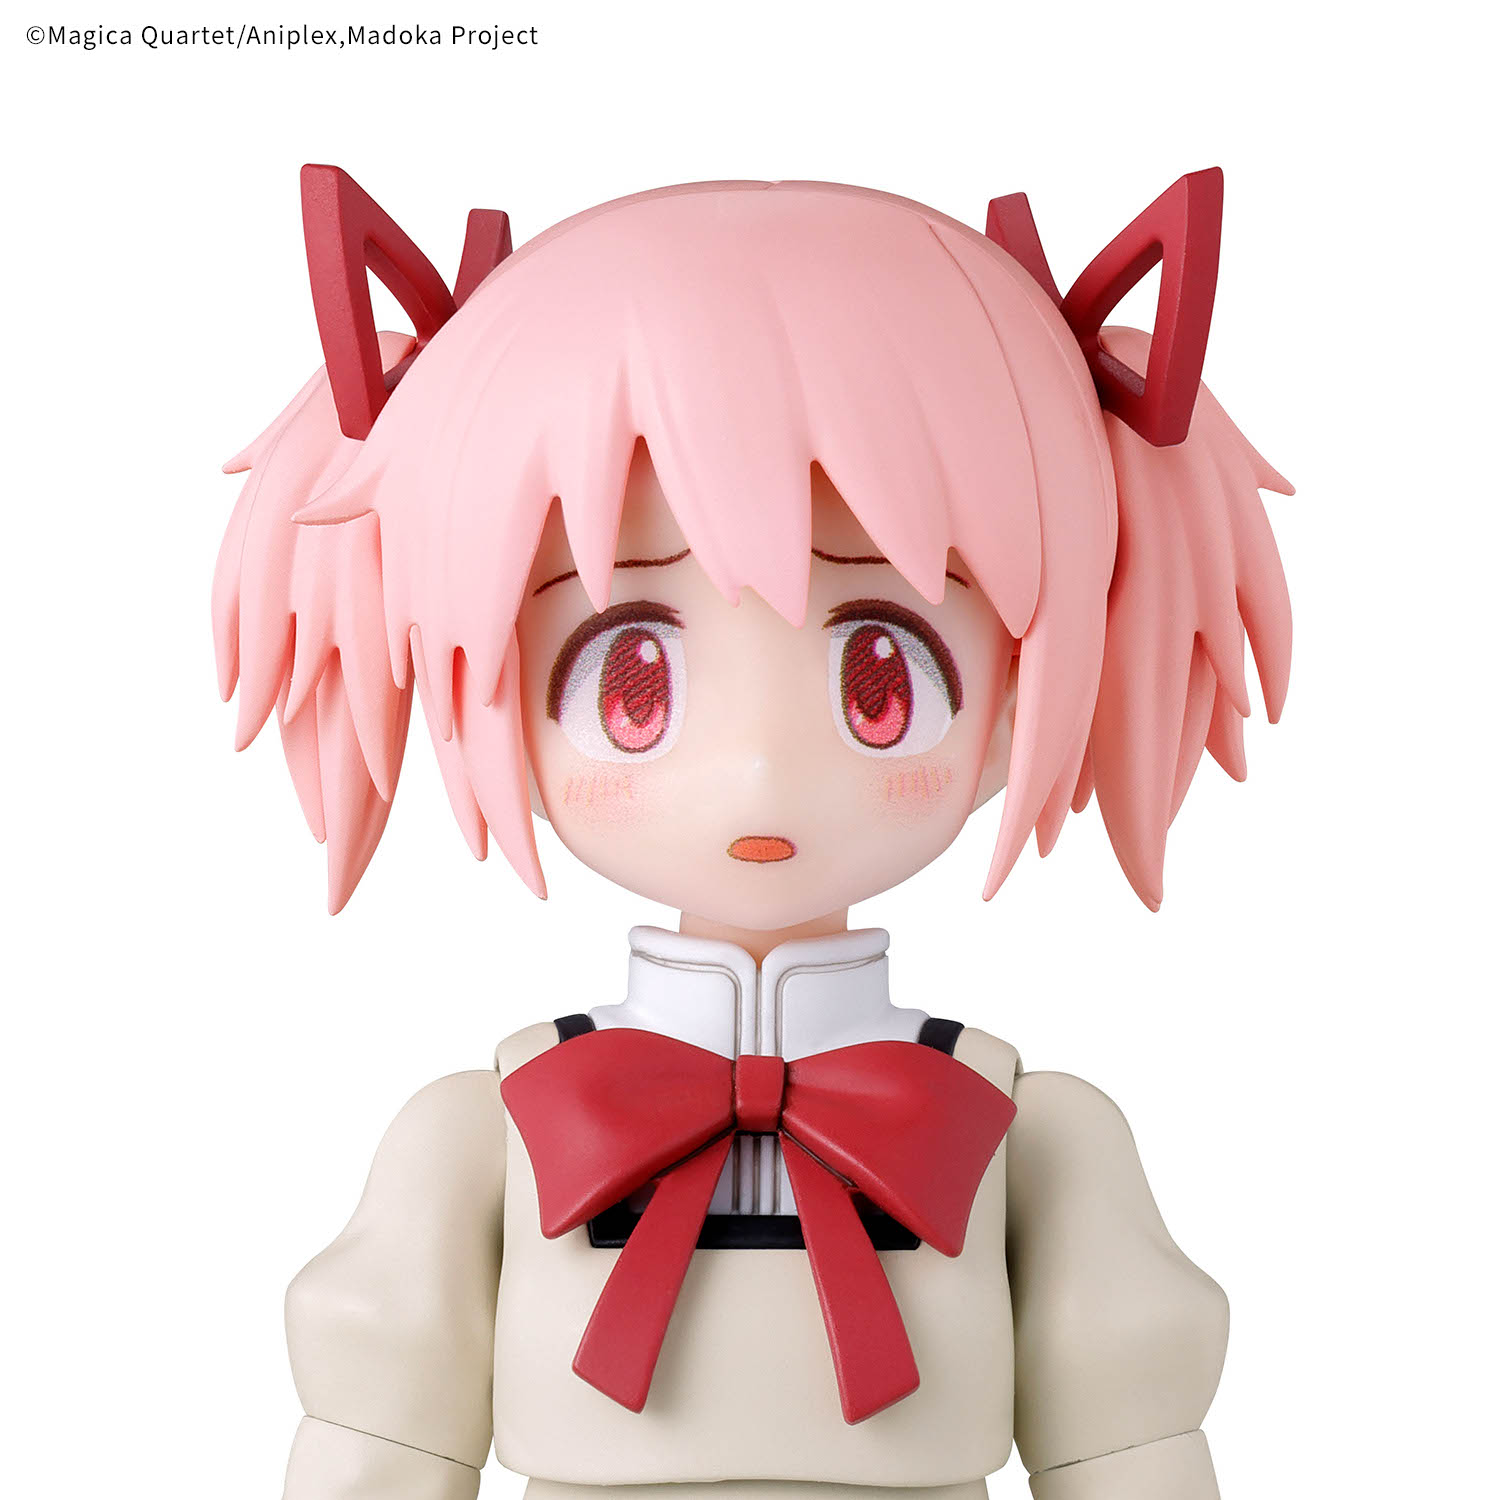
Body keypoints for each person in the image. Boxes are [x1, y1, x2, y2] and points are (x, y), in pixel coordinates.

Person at [214, 168, 1292, 1499]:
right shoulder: (478, 1137)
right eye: (632, 682)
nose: (762, 773)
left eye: (882, 678)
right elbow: (377, 1443)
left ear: (1026, 685)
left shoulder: (1035, 1140)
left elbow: (1131, 1451)